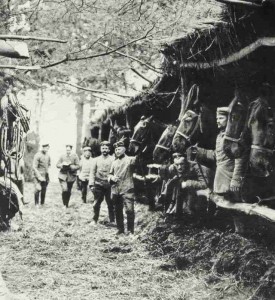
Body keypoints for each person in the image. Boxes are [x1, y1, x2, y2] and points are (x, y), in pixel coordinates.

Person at [187, 107, 248, 231]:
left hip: (230, 178)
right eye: (217, 118)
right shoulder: (220, 136)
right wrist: (200, 152)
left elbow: (240, 159)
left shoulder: (234, 136)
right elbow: (217, 156)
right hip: (221, 177)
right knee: (226, 207)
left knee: (236, 208)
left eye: (221, 118)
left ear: (229, 119)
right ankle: (232, 233)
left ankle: (241, 234)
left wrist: (236, 180)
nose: (217, 121)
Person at [149, 153, 209, 218]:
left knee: (195, 206)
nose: (179, 167)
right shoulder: (173, 167)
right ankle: (175, 211)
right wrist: (160, 177)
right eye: (177, 165)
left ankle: (199, 214)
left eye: (182, 164)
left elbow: (205, 184)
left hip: (209, 185)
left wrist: (187, 183)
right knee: (173, 183)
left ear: (186, 163)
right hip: (192, 185)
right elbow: (167, 174)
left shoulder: (196, 167)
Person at [108, 139, 137, 235]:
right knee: (117, 210)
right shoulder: (114, 162)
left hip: (127, 188)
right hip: (116, 189)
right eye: (116, 150)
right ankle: (120, 229)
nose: (117, 151)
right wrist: (112, 178)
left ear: (124, 149)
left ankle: (130, 230)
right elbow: (109, 174)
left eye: (119, 149)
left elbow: (137, 162)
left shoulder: (131, 160)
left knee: (129, 210)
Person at [89, 141, 115, 224]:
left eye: (106, 148)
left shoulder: (113, 159)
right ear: (100, 149)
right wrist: (91, 184)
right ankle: (94, 219)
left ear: (109, 149)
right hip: (98, 184)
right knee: (96, 203)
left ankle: (112, 220)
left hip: (110, 184)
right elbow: (92, 172)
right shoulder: (95, 160)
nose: (104, 150)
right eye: (103, 148)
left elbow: (116, 172)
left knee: (111, 203)